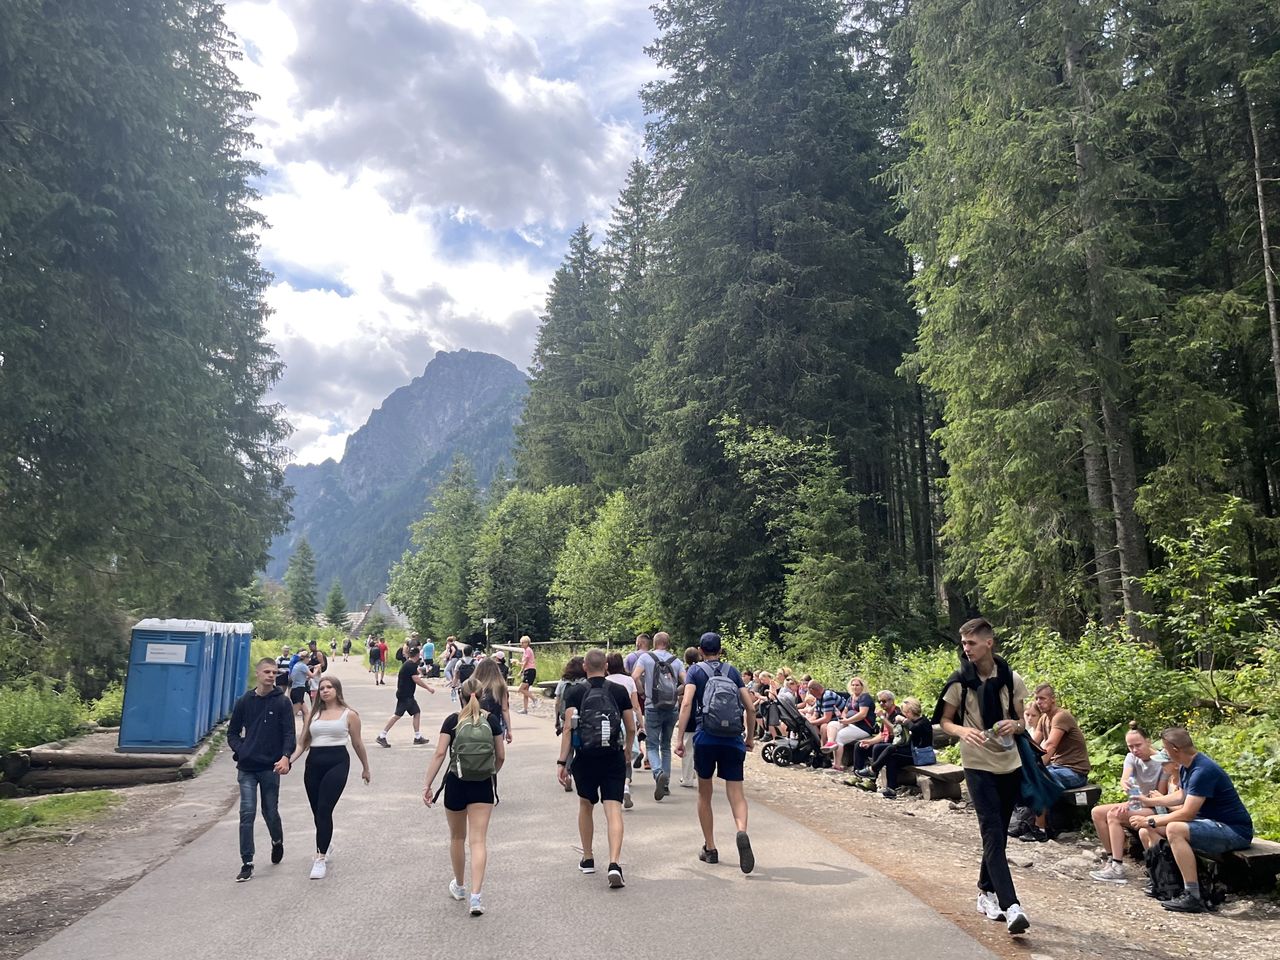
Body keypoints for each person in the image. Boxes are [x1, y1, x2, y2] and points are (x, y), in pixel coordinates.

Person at [936, 617, 1032, 936]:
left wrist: (1014, 726)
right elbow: (945, 722)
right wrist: (964, 730)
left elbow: (1022, 720)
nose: (966, 649)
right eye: (963, 644)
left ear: (988, 643)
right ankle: (1011, 905)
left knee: (999, 833)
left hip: (1009, 762)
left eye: (971, 643)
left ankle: (984, 891)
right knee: (991, 830)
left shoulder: (1011, 678)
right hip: (977, 763)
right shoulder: (958, 681)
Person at [1129, 727, 1253, 913]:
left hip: (1233, 830)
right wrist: (1149, 801)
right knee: (1146, 831)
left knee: (1174, 829)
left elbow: (1187, 813)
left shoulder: (1202, 770)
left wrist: (1152, 820)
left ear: (1175, 749)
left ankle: (1193, 895)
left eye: (1165, 748)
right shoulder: (1188, 766)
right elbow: (1181, 796)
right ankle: (1167, 884)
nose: (1162, 752)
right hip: (1209, 824)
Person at [423, 678, 505, 916]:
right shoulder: (491, 720)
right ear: (482, 694)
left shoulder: (452, 721)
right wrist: (489, 773)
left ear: (461, 694)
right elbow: (500, 756)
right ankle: (476, 897)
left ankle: (459, 886)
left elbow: (440, 754)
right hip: (482, 786)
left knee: (457, 838)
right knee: (478, 841)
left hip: (456, 783)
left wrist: (427, 785)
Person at [675, 632, 756, 874]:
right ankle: (741, 830)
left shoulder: (695, 671)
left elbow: (687, 703)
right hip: (732, 738)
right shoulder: (732, 671)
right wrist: (750, 737)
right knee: (736, 792)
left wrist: (679, 738)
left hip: (705, 737)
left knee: (705, 793)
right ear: (721, 650)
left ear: (700, 650)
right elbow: (750, 708)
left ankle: (710, 848)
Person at [557, 649, 635, 888]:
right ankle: (614, 863)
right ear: (607, 667)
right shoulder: (619, 691)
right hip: (612, 756)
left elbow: (569, 729)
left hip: (586, 758)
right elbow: (631, 727)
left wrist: (562, 762)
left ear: (584, 667)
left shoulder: (575, 691)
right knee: (613, 810)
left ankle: (588, 858)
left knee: (586, 805)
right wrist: (627, 752)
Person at [288, 675, 371, 879]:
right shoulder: (313, 715)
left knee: (325, 809)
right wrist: (289, 761)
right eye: (322, 687)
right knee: (317, 811)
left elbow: (357, 743)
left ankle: (320, 858)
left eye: (329, 687)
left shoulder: (349, 715)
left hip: (337, 762)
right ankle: (325, 841)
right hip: (314, 763)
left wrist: (365, 767)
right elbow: (302, 743)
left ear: (337, 690)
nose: (325, 690)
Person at [227, 658, 295, 882]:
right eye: (267, 672)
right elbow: (233, 733)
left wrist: (286, 757)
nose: (271, 676)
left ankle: (277, 841)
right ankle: (247, 862)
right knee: (246, 813)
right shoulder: (245, 701)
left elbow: (289, 734)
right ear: (257, 673)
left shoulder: (282, 702)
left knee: (270, 811)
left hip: (270, 767)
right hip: (247, 767)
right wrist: (242, 750)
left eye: (274, 673)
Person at [1089, 723, 1172, 883]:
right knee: (1097, 812)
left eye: (1138, 745)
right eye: (1130, 746)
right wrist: (1127, 788)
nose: (1135, 750)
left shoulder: (1161, 762)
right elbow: (1127, 779)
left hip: (1156, 807)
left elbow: (1158, 797)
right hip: (1138, 802)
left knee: (1115, 814)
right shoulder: (1131, 758)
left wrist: (1131, 803)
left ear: (1148, 741)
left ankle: (1118, 867)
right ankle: (1111, 859)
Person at [1021, 683, 1091, 842]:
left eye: (1043, 698)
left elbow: (1050, 745)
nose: (1039, 702)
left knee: (1040, 779)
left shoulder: (1061, 716)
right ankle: (1025, 822)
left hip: (1075, 771)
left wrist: (1036, 767)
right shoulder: (1044, 718)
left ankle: (1040, 830)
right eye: (1037, 699)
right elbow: (1033, 744)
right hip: (1057, 767)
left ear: (1053, 699)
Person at [632, 631, 686, 800]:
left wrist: (642, 693)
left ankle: (657, 773)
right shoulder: (676, 661)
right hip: (671, 708)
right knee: (665, 746)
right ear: (668, 643)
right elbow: (687, 681)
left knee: (652, 745)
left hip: (652, 706)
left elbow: (635, 676)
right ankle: (666, 784)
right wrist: (675, 693)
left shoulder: (646, 658)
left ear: (654, 643)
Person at [376, 645, 437, 747]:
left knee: (416, 712)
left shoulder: (409, 664)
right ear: (417, 655)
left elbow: (415, 672)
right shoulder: (410, 665)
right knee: (397, 715)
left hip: (408, 695)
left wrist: (419, 671)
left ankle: (417, 737)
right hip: (405, 695)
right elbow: (416, 679)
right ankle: (382, 735)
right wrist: (428, 688)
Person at [606, 652, 643, 809]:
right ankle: (626, 785)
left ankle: (616, 786)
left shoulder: (605, 681)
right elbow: (636, 706)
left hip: (609, 723)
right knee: (627, 757)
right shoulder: (629, 681)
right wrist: (641, 724)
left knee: (613, 757)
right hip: (627, 722)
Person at [554, 657, 588, 794]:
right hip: (583, 717)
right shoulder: (585, 682)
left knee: (568, 748)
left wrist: (557, 719)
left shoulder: (563, 682)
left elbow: (557, 702)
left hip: (565, 716)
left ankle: (567, 774)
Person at [829, 678, 875, 772]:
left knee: (840, 736)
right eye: (853, 685)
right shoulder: (851, 698)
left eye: (857, 685)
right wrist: (843, 719)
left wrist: (848, 721)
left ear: (862, 686)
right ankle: (830, 743)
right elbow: (845, 711)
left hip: (862, 727)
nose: (855, 687)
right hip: (850, 724)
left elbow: (862, 714)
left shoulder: (865, 697)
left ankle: (838, 764)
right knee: (832, 724)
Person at [473, 657, 513, 744]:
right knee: (496, 754)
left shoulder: (473, 685)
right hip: (495, 725)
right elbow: (505, 709)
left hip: (475, 724)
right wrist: (509, 730)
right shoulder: (500, 686)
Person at [678, 645, 701, 788]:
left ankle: (687, 778)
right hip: (704, 714)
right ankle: (699, 773)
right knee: (699, 747)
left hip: (690, 714)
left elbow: (684, 696)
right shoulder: (704, 670)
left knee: (687, 746)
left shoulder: (688, 673)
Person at [517, 635, 537, 714]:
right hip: (528, 670)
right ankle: (525, 709)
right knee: (525, 690)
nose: (521, 644)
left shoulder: (528, 650)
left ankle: (534, 699)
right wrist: (518, 663)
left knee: (521, 689)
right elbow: (524, 662)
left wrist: (521, 671)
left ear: (527, 643)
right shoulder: (525, 651)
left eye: (522, 643)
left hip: (529, 671)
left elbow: (526, 662)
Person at [288, 653, 311, 719]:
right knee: (293, 713)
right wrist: (317, 669)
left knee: (306, 712)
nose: (309, 660)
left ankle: (306, 729)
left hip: (295, 689)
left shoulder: (297, 665)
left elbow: (299, 677)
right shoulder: (303, 666)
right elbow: (312, 675)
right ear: (305, 658)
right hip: (299, 690)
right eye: (308, 658)